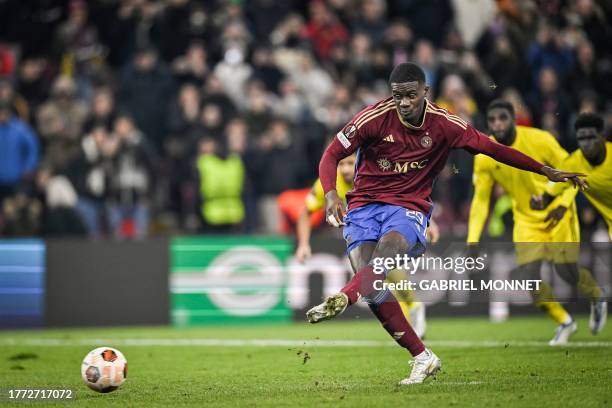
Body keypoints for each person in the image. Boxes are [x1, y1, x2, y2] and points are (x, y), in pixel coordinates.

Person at [307, 63, 585, 386]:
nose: (404, 103)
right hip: (364, 207)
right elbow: (330, 155)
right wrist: (330, 194)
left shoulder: (446, 125)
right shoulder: (372, 118)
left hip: (407, 208)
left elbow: (492, 148)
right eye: (398, 96)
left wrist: (545, 171)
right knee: (371, 285)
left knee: (384, 256)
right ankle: (423, 358)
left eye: (411, 95)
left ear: (426, 92)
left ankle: (343, 297)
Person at [468, 100, 606, 345]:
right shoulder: (485, 154)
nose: (497, 124)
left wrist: (564, 204)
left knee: (566, 272)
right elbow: (481, 200)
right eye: (492, 120)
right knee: (528, 278)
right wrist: (473, 237)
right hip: (525, 217)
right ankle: (565, 322)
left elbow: (574, 172)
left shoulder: (539, 139)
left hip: (557, 210)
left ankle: (596, 294)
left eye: (502, 118)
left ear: (514, 119)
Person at [295, 152, 436, 339]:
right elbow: (306, 212)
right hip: (360, 233)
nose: (345, 169)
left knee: (376, 269)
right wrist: (303, 244)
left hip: (386, 227)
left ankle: (409, 314)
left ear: (360, 161)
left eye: (350, 163)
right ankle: (413, 306)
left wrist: (429, 223)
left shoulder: (375, 176)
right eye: (341, 164)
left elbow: (408, 197)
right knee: (376, 272)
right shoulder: (328, 185)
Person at [532, 112, 610, 333]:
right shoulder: (573, 161)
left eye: (591, 137)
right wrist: (540, 202)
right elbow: (554, 191)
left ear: (602, 136)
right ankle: (597, 297)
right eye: (581, 139)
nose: (586, 144)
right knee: (563, 269)